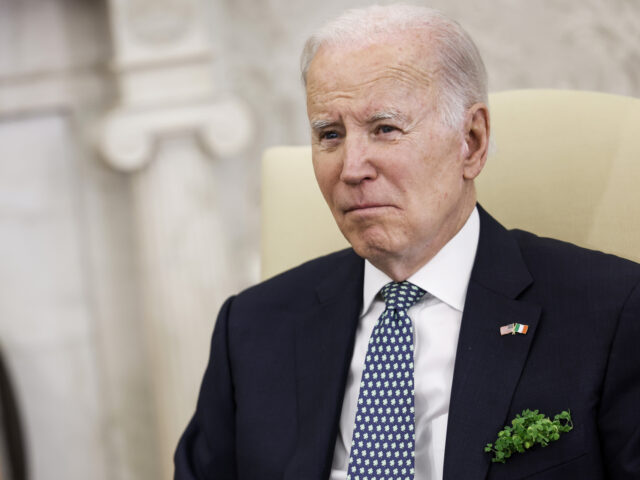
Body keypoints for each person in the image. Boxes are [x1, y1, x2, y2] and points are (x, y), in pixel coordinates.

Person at [174, 5, 640, 479]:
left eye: (386, 129)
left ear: (472, 141)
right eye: (330, 135)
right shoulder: (250, 329)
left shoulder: (611, 311)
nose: (352, 168)